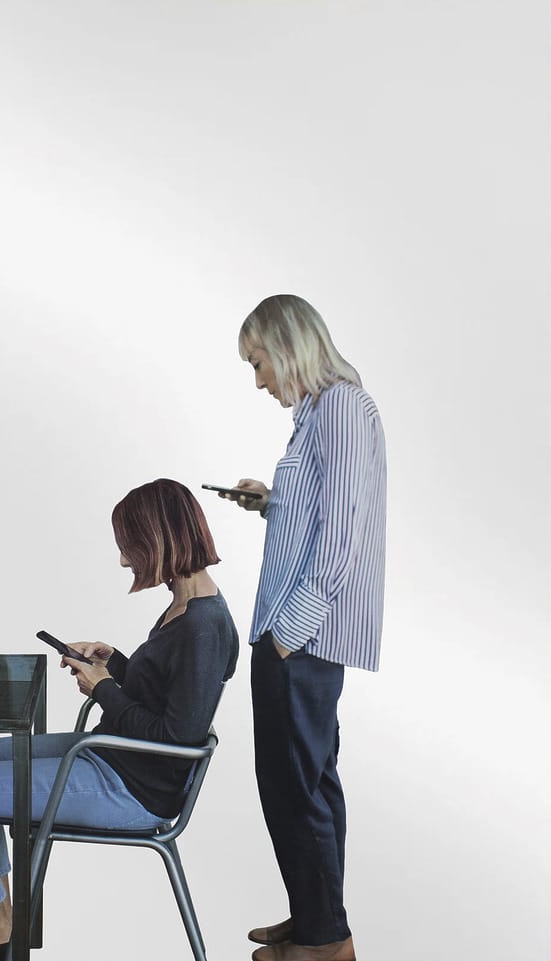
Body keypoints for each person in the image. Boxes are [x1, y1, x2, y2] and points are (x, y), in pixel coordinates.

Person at [0, 478, 239, 960]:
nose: (124, 560)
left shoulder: (203, 627)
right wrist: (112, 660)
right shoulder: (183, 608)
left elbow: (176, 735)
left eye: (130, 546)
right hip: (111, 757)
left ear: (159, 539)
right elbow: (164, 694)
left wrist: (104, 690)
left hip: (132, 789)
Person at [222, 294, 386, 961]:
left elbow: (342, 534)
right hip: (297, 633)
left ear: (288, 347)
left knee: (297, 786)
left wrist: (289, 632)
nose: (258, 379)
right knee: (306, 782)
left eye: (259, 361)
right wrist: (271, 502)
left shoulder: (342, 406)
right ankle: (317, 915)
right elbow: (318, 514)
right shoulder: (319, 412)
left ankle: (325, 941)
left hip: (302, 637)